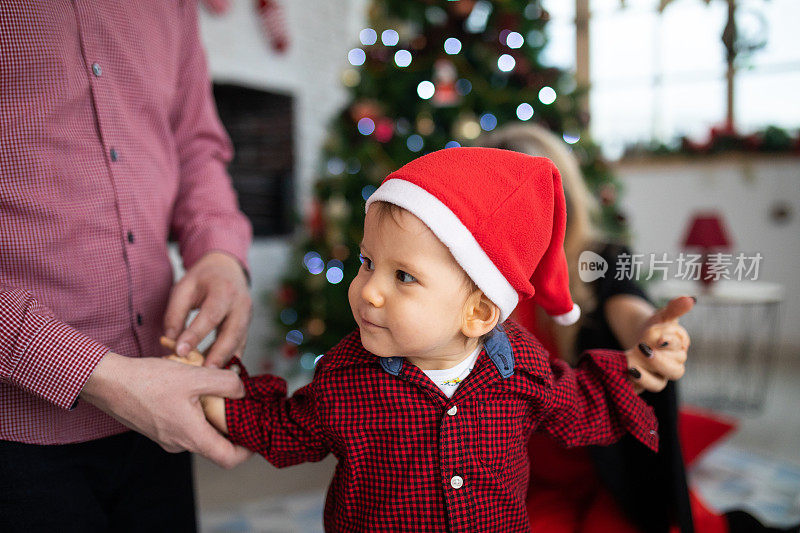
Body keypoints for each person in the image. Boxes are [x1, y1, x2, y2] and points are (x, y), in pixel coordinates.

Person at [170, 147, 691, 531]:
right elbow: (290, 425)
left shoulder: (522, 371)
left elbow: (583, 403)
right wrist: (217, 396)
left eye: (403, 277)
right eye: (368, 263)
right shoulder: (348, 377)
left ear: (479, 311)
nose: (368, 291)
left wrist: (640, 364)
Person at [0, 1, 252, 530]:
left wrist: (221, 254)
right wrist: (98, 375)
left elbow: (196, 146)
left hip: (159, 412)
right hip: (15, 434)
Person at [480, 123, 795, 533]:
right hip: (510, 476)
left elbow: (628, 308)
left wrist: (651, 334)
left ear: (564, 199)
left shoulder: (599, 259)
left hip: (604, 467)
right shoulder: (474, 282)